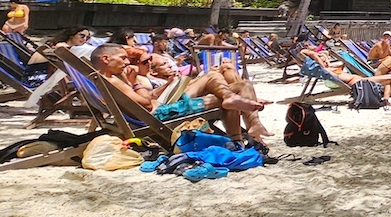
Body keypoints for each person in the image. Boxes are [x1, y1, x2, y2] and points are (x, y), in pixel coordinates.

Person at [89, 42, 271, 149]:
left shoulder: (103, 79)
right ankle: (238, 140)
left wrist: (161, 85)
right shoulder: (112, 82)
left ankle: (248, 125)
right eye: (122, 58)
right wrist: (134, 81)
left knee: (234, 83)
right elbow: (145, 103)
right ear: (106, 59)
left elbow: (144, 99)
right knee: (233, 90)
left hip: (160, 106)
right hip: (161, 114)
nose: (126, 61)